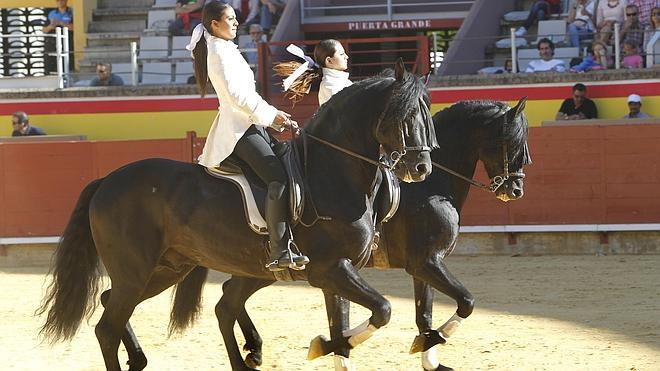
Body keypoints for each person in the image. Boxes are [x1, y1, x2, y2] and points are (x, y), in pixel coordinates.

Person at [187, 1, 308, 271]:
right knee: (277, 178)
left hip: (249, 124)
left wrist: (275, 115)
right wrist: (272, 117)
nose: (235, 22)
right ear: (214, 25)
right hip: (238, 130)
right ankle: (279, 250)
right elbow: (237, 97)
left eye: (234, 18)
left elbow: (248, 97)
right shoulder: (218, 53)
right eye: (229, 19)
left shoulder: (225, 49)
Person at [274, 39, 352, 106]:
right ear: (329, 61)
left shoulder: (337, 81)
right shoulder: (330, 85)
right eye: (342, 54)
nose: (346, 57)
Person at [42, 0, 74, 74]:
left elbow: (74, 27)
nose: (59, 2)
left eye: (61, 0)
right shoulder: (52, 13)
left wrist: (61, 23)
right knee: (52, 62)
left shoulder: (71, 12)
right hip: (53, 43)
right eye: (57, 0)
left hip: (67, 42)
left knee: (66, 62)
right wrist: (51, 26)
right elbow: (44, 30)